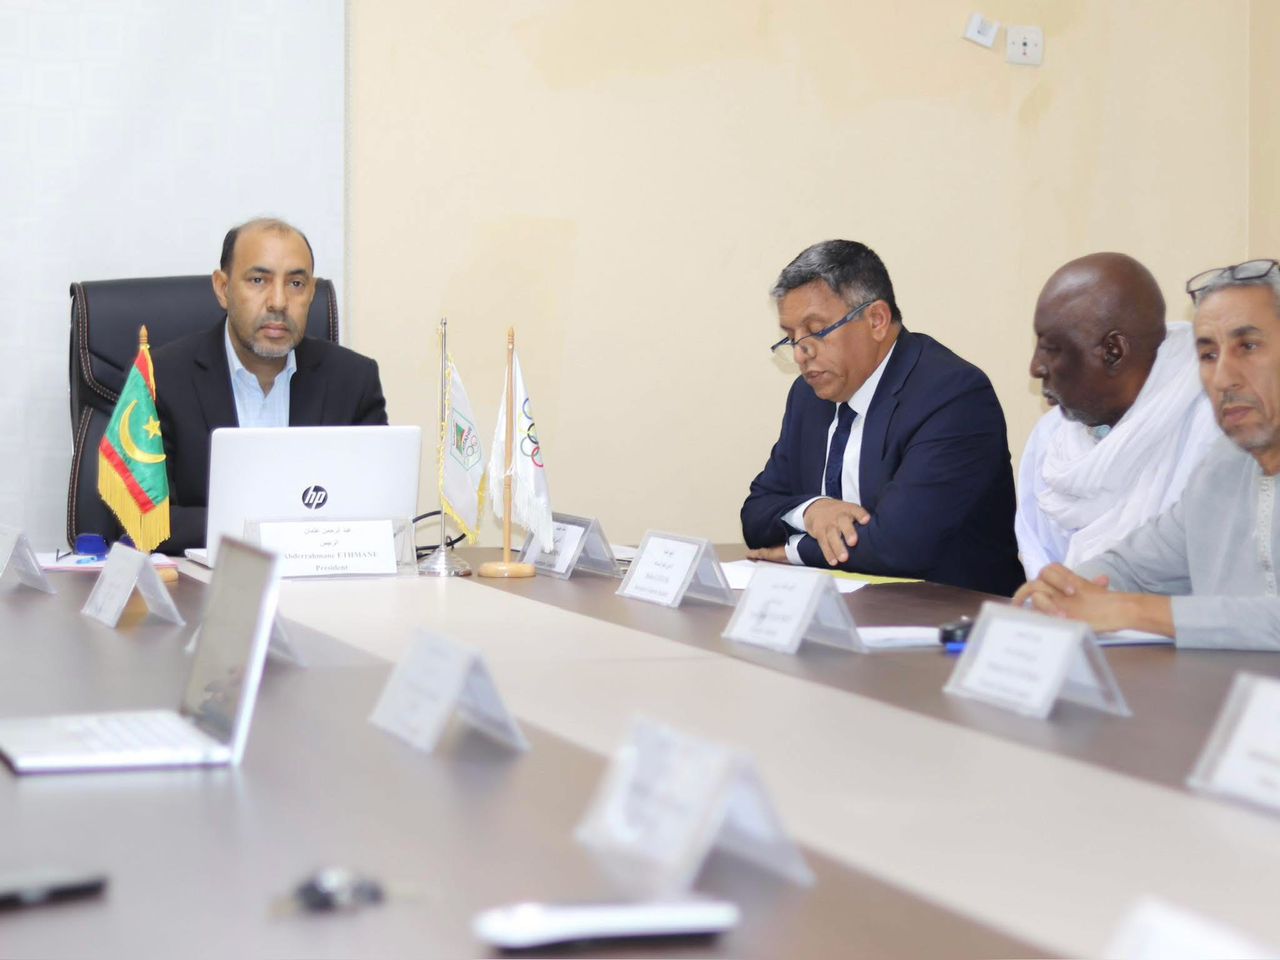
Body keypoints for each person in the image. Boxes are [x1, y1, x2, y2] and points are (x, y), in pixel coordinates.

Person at [1014, 259, 1280, 650]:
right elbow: (1132, 567)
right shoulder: (1223, 468)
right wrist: (1065, 592)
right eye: (1208, 355)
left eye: (1248, 347)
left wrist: (1130, 610)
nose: (1224, 378)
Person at [741, 239, 1023, 595]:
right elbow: (756, 514)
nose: (800, 354)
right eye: (791, 338)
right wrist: (813, 511)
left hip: (949, 612)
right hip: (852, 607)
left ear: (876, 320)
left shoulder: (951, 395)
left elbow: (899, 544)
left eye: (816, 331)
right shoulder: (809, 396)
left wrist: (795, 551)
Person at [150, 217, 388, 553]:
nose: (278, 302)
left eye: (295, 284)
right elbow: (145, 520)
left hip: (322, 580)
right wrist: (263, 528)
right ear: (222, 288)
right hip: (205, 582)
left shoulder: (352, 380)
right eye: (258, 280)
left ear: (311, 293)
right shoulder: (160, 378)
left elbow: (379, 509)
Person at [1017, 253, 1217, 578]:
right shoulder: (1051, 437)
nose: (1035, 368)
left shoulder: (1213, 430)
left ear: (1113, 351)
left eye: (1051, 349)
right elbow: (1043, 569)